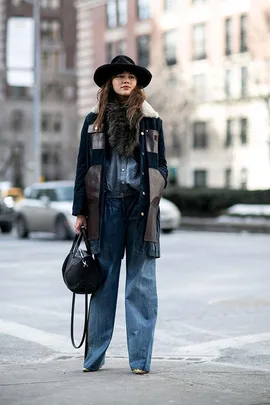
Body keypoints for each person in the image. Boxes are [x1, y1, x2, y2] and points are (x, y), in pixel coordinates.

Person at [72, 55, 168, 375]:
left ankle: (140, 361)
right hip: (106, 207)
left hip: (141, 208)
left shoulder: (150, 121)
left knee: (140, 285)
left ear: (137, 82)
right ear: (109, 83)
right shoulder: (94, 122)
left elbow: (162, 165)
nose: (126, 80)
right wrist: (80, 211)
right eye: (119, 76)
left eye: (130, 76)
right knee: (104, 283)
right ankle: (94, 357)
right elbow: (83, 168)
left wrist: (158, 184)